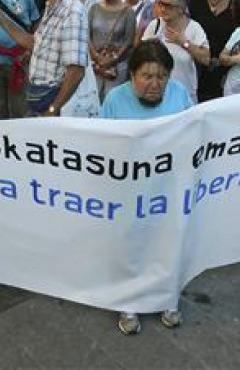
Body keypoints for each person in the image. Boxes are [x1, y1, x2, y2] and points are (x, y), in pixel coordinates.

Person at [100, 40, 193, 335]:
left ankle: (167, 298)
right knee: (133, 247)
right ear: (132, 76)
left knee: (168, 244)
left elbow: (194, 132)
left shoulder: (179, 93)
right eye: (147, 76)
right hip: (130, 191)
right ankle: (129, 302)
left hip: (169, 188)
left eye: (162, 76)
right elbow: (103, 145)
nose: (155, 84)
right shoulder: (115, 99)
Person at [0, 0, 90, 117]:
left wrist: (54, 108)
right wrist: (0, 17)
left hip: (52, 98)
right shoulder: (52, 5)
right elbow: (33, 42)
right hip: (40, 94)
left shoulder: (72, 12)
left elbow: (76, 71)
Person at [141, 0, 210, 102]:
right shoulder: (155, 25)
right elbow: (140, 56)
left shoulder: (194, 28)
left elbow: (206, 59)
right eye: (161, 4)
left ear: (181, 8)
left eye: (168, 6)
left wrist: (184, 43)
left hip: (184, 95)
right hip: (156, 94)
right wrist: (150, 47)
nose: (163, 9)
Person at [190, 0, 240, 102]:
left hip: (224, 68)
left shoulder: (237, 8)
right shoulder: (196, 4)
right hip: (198, 65)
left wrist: (228, 59)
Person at [89, 0, 137, 100]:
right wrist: (96, 57)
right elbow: (87, 36)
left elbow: (128, 42)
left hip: (117, 67)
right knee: (93, 100)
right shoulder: (94, 8)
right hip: (95, 64)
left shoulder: (128, 11)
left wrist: (113, 59)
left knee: (112, 101)